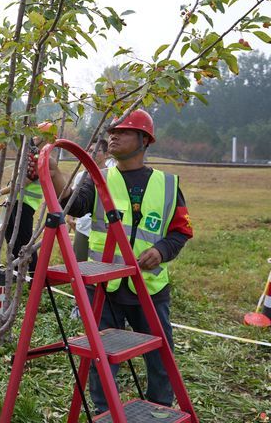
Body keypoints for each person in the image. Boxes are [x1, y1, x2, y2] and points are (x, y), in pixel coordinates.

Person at [54, 109, 193, 415]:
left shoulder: (168, 185)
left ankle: (159, 412)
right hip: (105, 287)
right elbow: (74, 205)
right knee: (101, 359)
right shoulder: (98, 179)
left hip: (150, 289)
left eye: (123, 132)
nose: (113, 136)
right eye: (112, 132)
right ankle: (107, 414)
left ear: (144, 140)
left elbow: (181, 230)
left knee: (160, 359)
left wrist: (162, 250)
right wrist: (54, 173)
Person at [0, 121, 56, 272]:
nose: (33, 139)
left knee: (25, 241)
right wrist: (9, 199)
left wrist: (1, 192)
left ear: (46, 139)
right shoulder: (33, 156)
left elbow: (24, 181)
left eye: (37, 136)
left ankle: (34, 275)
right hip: (18, 202)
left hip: (26, 205)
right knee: (11, 236)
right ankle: (15, 271)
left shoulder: (40, 158)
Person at [68, 139, 110, 262]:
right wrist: (70, 218)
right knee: (79, 264)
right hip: (83, 227)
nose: (92, 153)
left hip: (103, 231)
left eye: (97, 151)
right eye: (90, 150)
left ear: (107, 154)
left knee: (99, 265)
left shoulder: (112, 176)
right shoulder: (81, 176)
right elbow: (74, 198)